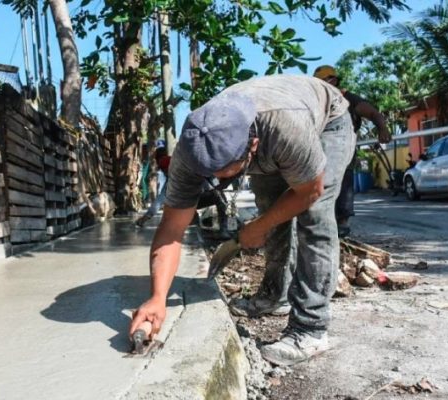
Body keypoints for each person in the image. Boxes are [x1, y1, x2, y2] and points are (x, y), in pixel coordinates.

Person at [130, 75, 356, 366]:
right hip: (270, 135)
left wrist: (260, 226)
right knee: (271, 208)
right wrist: (158, 297)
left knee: (314, 214)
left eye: (228, 173)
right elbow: (172, 230)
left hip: (328, 120)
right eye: (210, 173)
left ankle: (310, 329)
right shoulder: (194, 147)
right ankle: (275, 297)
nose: (218, 180)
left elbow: (309, 191)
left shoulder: (286, 129)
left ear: (253, 147)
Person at [313, 65, 391, 237]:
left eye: (324, 83)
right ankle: (319, 226)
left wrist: (382, 129)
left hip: (342, 151)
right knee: (317, 190)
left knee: (342, 185)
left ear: (333, 81)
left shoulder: (347, 99)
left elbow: (373, 113)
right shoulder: (316, 102)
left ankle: (342, 226)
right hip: (319, 151)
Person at [135, 146, 232, 240]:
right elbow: (159, 202)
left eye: (165, 171)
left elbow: (159, 201)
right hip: (191, 203)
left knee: (217, 197)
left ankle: (218, 229)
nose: (165, 173)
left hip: (194, 201)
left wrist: (145, 218)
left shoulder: (176, 179)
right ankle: (203, 228)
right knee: (217, 197)